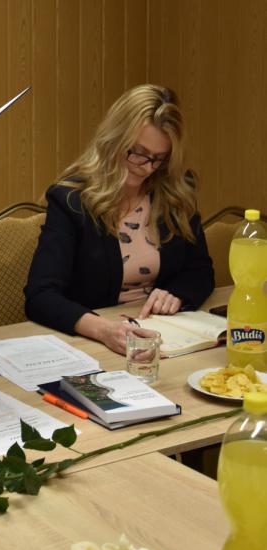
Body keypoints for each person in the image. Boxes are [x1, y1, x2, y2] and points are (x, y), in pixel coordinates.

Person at [24, 85, 214, 354]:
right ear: (114, 139)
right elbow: (41, 296)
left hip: (161, 338)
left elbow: (200, 269)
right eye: (137, 152)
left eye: (158, 159)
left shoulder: (174, 193)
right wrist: (102, 329)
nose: (146, 167)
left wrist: (177, 293)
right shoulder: (72, 200)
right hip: (93, 342)